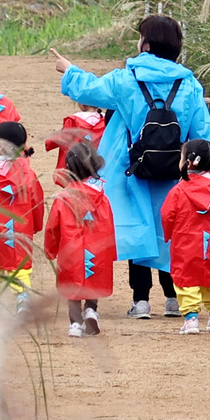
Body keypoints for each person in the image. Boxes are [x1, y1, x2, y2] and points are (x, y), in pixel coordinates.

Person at [52, 15, 210, 320]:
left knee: (136, 228)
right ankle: (174, 299)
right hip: (175, 170)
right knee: (171, 232)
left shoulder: (126, 79)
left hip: (131, 169)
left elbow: (90, 91)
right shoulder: (189, 84)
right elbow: (203, 132)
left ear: (148, 44)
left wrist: (69, 70)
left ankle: (141, 301)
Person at [44, 141, 117, 338]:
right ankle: (91, 309)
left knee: (71, 286)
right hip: (98, 248)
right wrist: (111, 252)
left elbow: (53, 227)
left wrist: (50, 249)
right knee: (93, 280)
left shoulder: (63, 198)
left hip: (71, 248)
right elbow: (110, 226)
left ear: (68, 168)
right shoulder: (102, 197)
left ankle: (75, 323)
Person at [159, 140, 210, 335]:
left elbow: (167, 214)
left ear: (187, 163)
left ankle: (191, 319)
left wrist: (168, 233)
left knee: (186, 280)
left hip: (185, 242)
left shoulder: (179, 190)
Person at [0, 122, 45, 310]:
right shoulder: (28, 174)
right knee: (21, 269)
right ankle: (23, 301)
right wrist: (36, 226)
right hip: (21, 232)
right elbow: (36, 204)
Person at [45, 102, 107, 182]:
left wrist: (50, 142)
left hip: (77, 159)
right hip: (96, 158)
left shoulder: (74, 120)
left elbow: (64, 136)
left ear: (83, 104)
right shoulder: (105, 119)